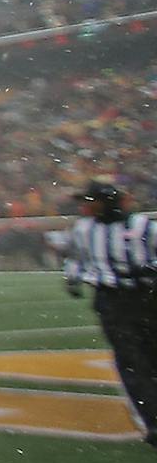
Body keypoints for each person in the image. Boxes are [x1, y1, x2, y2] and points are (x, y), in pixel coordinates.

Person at [63, 180, 157, 445]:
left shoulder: (143, 227)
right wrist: (73, 278)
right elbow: (76, 258)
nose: (85, 206)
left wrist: (150, 269)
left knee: (148, 359)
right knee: (131, 362)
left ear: (106, 201)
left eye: (91, 201)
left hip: (146, 297)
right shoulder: (84, 229)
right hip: (112, 301)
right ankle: (153, 422)